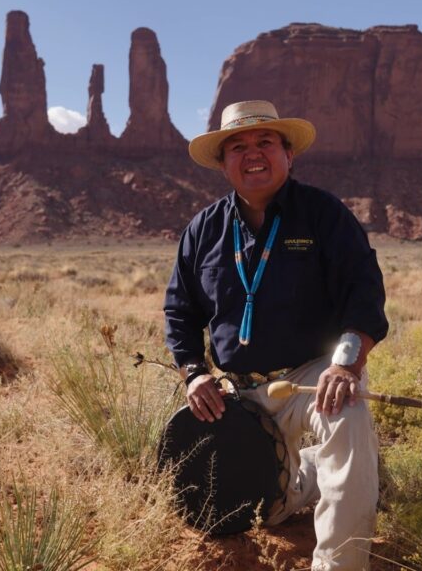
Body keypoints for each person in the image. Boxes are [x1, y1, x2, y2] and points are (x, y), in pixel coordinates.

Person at [163, 100, 388, 570]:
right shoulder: (203, 230)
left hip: (312, 376)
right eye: (237, 146)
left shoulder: (322, 214)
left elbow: (363, 292)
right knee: (266, 511)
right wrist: (193, 375)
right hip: (237, 394)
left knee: (346, 416)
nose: (252, 154)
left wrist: (346, 364)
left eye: (265, 141)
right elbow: (179, 311)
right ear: (224, 163)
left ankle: (339, 564)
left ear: (289, 154)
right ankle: (304, 475)